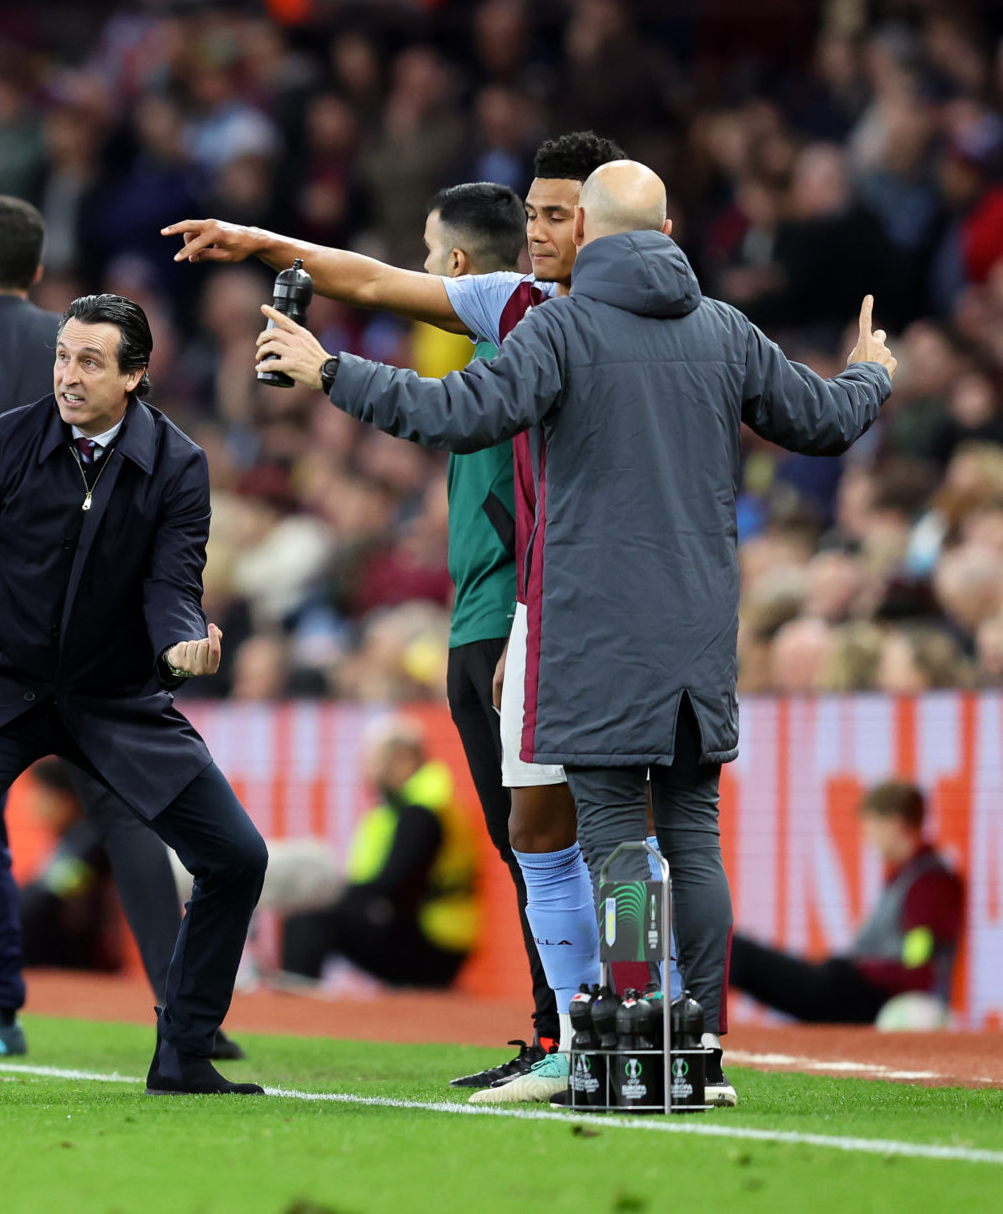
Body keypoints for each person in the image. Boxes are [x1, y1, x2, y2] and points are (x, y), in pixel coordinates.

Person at [252, 159, 896, 1107]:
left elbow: (457, 413)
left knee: (611, 839)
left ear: (588, 231)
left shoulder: (562, 327)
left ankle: (629, 1053)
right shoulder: (725, 330)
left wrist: (331, 370)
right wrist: (875, 374)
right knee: (691, 832)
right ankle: (700, 1053)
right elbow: (828, 421)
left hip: (592, 628)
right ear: (669, 231)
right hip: (697, 626)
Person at [165, 133, 631, 1095]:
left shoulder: (533, 330)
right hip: (484, 619)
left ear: (460, 263)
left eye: (429, 253)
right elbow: (371, 281)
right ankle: (564, 1032)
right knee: (530, 838)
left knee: (546, 836)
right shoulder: (517, 328)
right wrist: (260, 241)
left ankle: (575, 1037)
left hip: (510, 623)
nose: (419, 269)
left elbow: (377, 292)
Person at [0, 195, 240, 1061]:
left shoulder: (179, 463)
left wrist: (182, 637)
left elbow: (173, 583)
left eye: (90, 363)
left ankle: (185, 1045)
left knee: (236, 857)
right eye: (62, 357)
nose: (68, 375)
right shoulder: (7, 437)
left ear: (134, 376)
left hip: (112, 692)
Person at [731, 781, 965, 1024]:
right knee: (739, 952)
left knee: (737, 952)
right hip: (862, 989)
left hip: (869, 995)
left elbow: (917, 967)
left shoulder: (928, 885)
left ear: (895, 825)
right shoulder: (912, 878)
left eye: (871, 827)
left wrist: (857, 969)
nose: (868, 838)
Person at [279, 719, 479, 989]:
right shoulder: (413, 805)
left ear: (403, 759)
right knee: (317, 913)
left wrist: (333, 893)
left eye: (373, 759)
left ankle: (297, 1009)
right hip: (432, 935)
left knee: (311, 920)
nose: (366, 770)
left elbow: (394, 882)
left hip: (435, 941)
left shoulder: (422, 812)